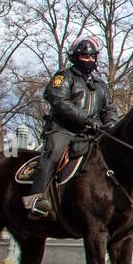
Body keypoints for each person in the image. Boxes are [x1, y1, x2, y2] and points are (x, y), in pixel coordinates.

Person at [22, 37, 118, 216]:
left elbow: (109, 108)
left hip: (91, 135)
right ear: (75, 57)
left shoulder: (101, 85)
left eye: (92, 57)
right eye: (84, 56)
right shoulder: (63, 77)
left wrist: (111, 123)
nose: (89, 60)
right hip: (64, 130)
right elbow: (58, 100)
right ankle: (36, 199)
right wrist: (87, 119)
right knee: (53, 152)